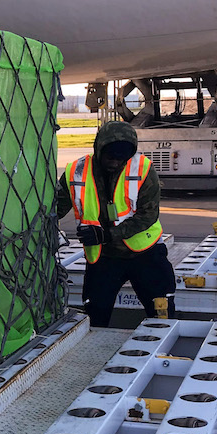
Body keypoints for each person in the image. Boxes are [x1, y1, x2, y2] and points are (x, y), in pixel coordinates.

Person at [57, 120, 176, 325]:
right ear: (99, 148)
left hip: (145, 253)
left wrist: (107, 235)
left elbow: (148, 215)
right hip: (104, 258)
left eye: (122, 159)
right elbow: (54, 210)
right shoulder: (75, 172)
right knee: (95, 316)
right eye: (110, 157)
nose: (115, 163)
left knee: (161, 312)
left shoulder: (144, 170)